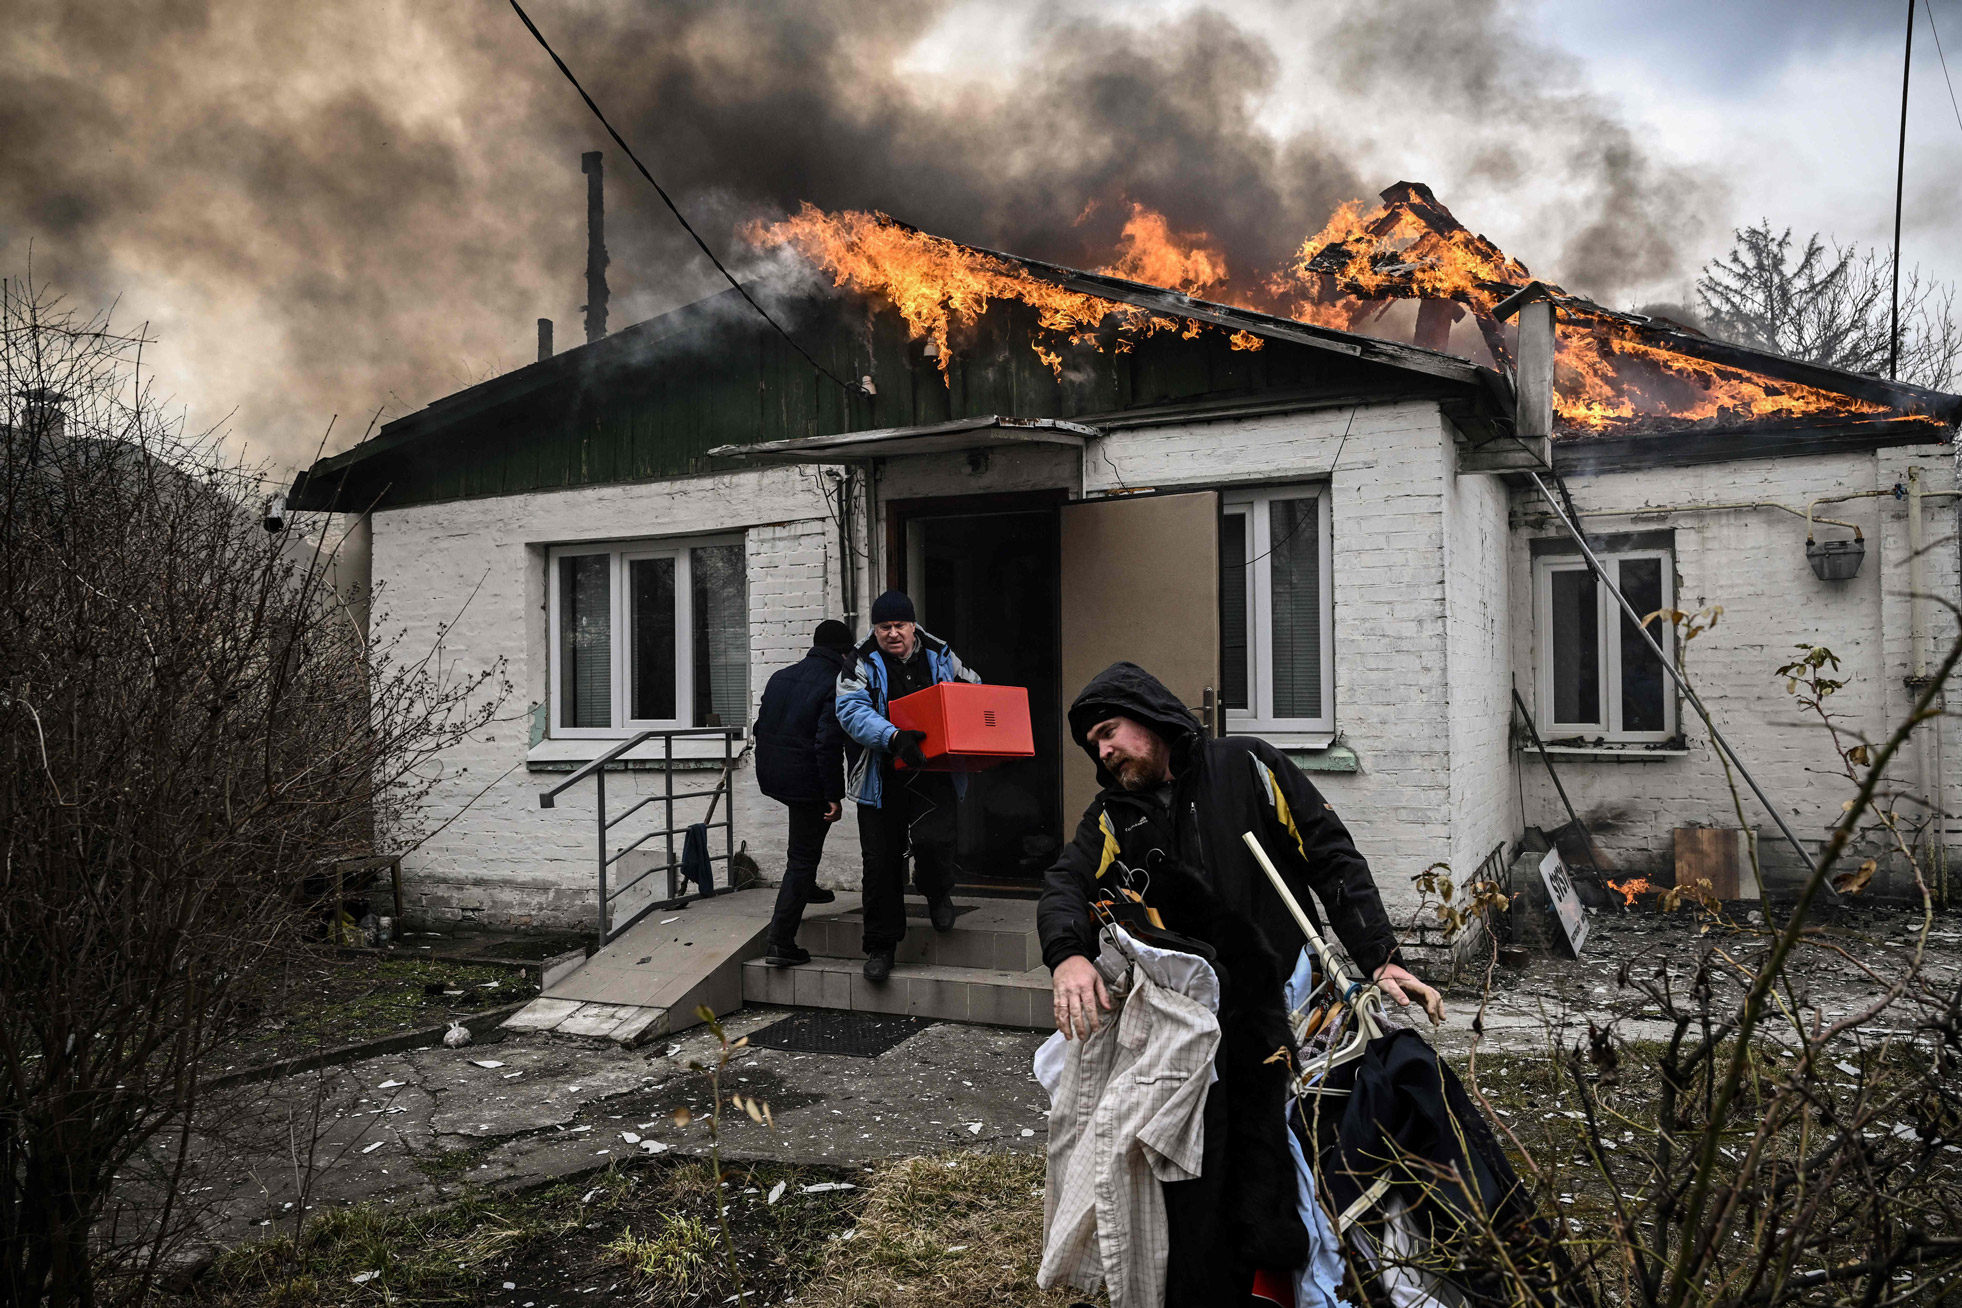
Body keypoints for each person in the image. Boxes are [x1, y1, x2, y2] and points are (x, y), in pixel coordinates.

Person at [1038, 660, 1444, 1304]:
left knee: (1300, 1144)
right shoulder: (1115, 818)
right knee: (1209, 1160)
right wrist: (1068, 955)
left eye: (1111, 732)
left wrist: (1380, 956)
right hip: (1199, 1023)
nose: (1105, 751)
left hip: (1285, 991)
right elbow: (1066, 883)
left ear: (1150, 716)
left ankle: (1310, 1275)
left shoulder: (1248, 766)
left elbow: (1330, 852)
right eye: (1095, 746)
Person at [835, 590, 980, 983]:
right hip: (881, 779)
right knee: (880, 864)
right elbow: (850, 711)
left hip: (935, 774)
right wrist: (894, 737)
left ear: (913, 626)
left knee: (936, 842)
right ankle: (881, 947)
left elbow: (973, 687)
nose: (893, 633)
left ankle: (936, 891)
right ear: (875, 628)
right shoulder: (859, 661)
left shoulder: (940, 653)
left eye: (900, 625)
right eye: (885, 627)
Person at [752, 620, 852, 967]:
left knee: (803, 843)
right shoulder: (835, 682)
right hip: (807, 780)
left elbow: (759, 727)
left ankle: (806, 888)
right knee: (802, 857)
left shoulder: (781, 676)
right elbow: (828, 744)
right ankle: (780, 941)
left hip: (774, 774)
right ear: (844, 651)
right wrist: (833, 794)